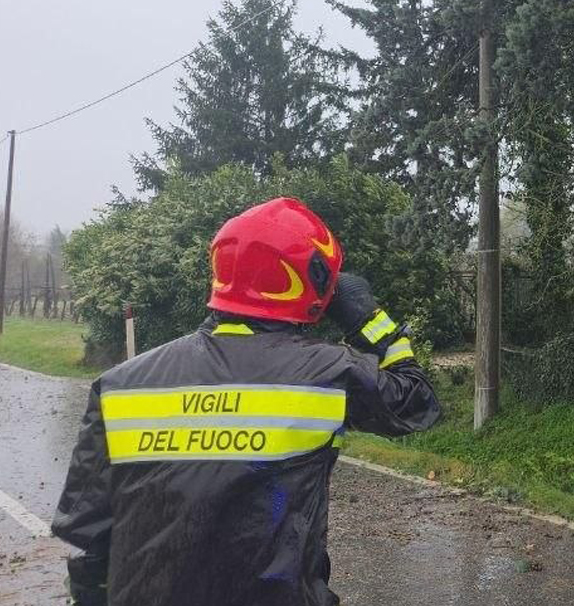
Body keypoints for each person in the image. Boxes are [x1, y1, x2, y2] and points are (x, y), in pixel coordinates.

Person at [51, 197, 441, 606]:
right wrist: (369, 320)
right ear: (314, 281)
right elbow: (417, 401)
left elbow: (89, 535)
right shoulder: (327, 373)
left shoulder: (120, 385)